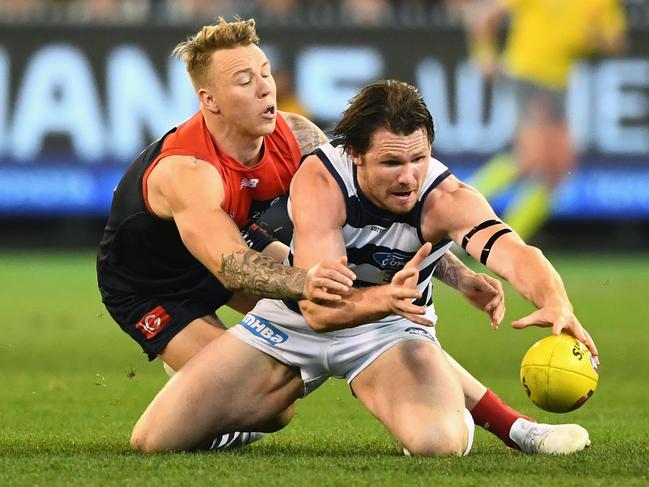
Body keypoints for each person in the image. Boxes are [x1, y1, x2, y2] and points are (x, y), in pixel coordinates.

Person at [129, 80, 598, 456]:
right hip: (295, 322)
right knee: (152, 442)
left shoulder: (447, 198)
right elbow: (318, 311)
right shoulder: (320, 181)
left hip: (389, 332)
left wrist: (554, 299)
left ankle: (469, 411)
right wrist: (385, 298)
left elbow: (515, 252)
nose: (408, 175)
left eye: (418, 158)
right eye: (391, 162)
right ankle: (238, 418)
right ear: (354, 154)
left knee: (440, 445)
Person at [461, 0, 627, 240]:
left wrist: (595, 36)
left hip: (558, 83)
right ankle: (453, 211)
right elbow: (483, 16)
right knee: (531, 158)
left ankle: (507, 239)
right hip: (528, 74)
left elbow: (616, 42)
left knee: (557, 170)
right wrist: (484, 55)